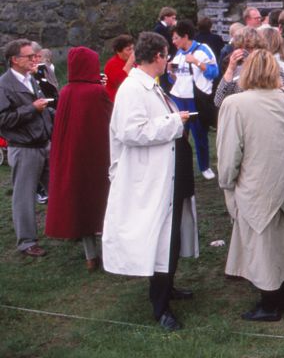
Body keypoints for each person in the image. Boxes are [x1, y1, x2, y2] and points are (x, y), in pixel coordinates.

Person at [102, 32, 198, 331]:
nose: (167, 59)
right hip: (153, 177)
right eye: (165, 54)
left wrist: (174, 119)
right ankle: (161, 306)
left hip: (170, 173)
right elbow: (131, 132)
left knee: (173, 237)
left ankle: (167, 287)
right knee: (161, 240)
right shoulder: (133, 88)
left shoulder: (149, 85)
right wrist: (174, 122)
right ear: (158, 56)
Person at [216, 49, 284, 321]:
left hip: (253, 182)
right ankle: (283, 298)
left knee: (261, 246)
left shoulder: (235, 104)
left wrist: (226, 182)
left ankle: (270, 304)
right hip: (282, 179)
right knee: (280, 241)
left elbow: (229, 153)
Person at [45, 47, 112, 271]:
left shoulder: (66, 91)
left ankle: (90, 256)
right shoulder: (96, 93)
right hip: (97, 159)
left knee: (82, 206)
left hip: (73, 160)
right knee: (102, 204)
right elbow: (108, 121)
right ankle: (110, 255)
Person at [0, 39, 55, 257]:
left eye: (35, 55)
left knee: (57, 189)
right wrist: (31, 109)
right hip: (23, 148)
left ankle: (67, 228)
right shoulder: (4, 85)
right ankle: (27, 242)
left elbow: (48, 108)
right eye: (29, 56)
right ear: (15, 60)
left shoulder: (33, 79)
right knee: (23, 196)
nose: (35, 59)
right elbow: (3, 119)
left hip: (44, 144)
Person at [168, 20, 219, 180]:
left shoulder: (202, 50)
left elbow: (214, 72)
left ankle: (204, 167)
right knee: (179, 135)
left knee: (200, 135)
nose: (173, 41)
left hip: (195, 99)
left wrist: (197, 62)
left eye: (176, 38)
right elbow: (175, 80)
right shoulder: (177, 54)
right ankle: (180, 168)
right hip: (178, 98)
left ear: (185, 37)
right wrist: (171, 72)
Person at [104, 34, 135, 103]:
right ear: (118, 51)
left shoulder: (135, 63)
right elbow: (121, 83)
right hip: (116, 102)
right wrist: (129, 63)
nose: (132, 52)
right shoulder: (112, 64)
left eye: (133, 48)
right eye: (128, 49)